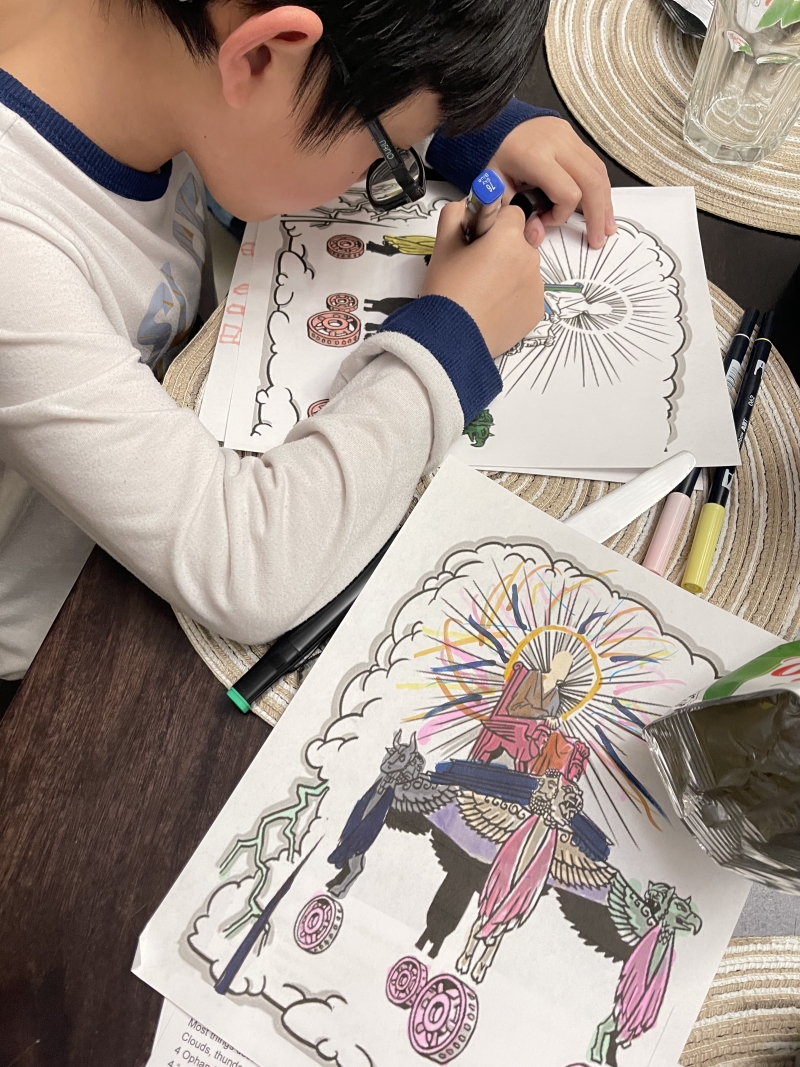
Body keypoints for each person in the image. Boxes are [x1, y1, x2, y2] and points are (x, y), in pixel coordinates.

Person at [0, 0, 615, 690]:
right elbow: (248, 565)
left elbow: (264, 124)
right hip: (68, 630)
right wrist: (453, 340)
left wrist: (459, 126)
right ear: (261, 54)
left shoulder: (133, 52)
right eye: (385, 156)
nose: (385, 170)